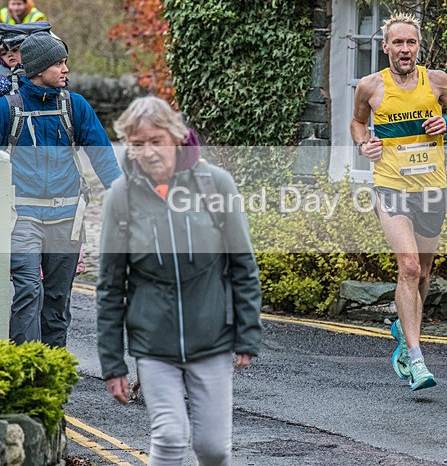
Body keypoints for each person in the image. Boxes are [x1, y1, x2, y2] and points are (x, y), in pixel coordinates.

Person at [96, 96, 262, 465]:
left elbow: (243, 265)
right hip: (153, 344)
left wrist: (247, 332)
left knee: (213, 449)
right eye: (138, 144)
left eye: (156, 141)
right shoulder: (120, 197)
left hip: (213, 338)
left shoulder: (216, 184)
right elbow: (109, 287)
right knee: (170, 438)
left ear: (175, 137)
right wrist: (112, 364)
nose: (148, 152)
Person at [351, 12, 447, 391]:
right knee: (407, 266)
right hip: (390, 186)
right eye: (398, 43)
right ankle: (415, 356)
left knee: (422, 273)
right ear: (386, 47)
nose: (405, 49)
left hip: (431, 189)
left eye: (411, 43)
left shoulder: (436, 82)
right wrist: (364, 144)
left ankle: (404, 332)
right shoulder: (370, 87)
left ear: (418, 47)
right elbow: (358, 123)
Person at [0, 31, 120, 347]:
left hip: (67, 218)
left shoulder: (75, 106)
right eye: (59, 64)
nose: (66, 69)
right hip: (20, 217)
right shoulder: (6, 109)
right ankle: (25, 368)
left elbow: (102, 155)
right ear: (39, 69)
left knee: (56, 298)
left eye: (65, 62)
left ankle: (52, 368)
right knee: (29, 288)